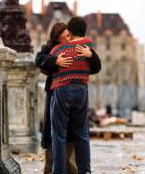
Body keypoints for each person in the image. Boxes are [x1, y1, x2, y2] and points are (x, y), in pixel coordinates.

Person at [35, 22, 101, 174]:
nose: (69, 38)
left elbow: (96, 66)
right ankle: (54, 169)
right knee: (58, 134)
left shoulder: (80, 47)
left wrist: (91, 55)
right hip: (54, 93)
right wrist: (55, 61)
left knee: (70, 134)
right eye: (65, 36)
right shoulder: (50, 48)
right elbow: (39, 61)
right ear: (57, 37)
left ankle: (72, 170)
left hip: (66, 91)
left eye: (69, 34)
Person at [49, 17, 96, 174]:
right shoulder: (89, 46)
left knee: (59, 135)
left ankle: (59, 171)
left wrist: (55, 61)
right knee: (82, 134)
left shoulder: (57, 50)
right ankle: (85, 171)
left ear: (69, 31)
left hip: (62, 90)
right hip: (81, 89)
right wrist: (90, 55)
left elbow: (43, 66)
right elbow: (96, 67)